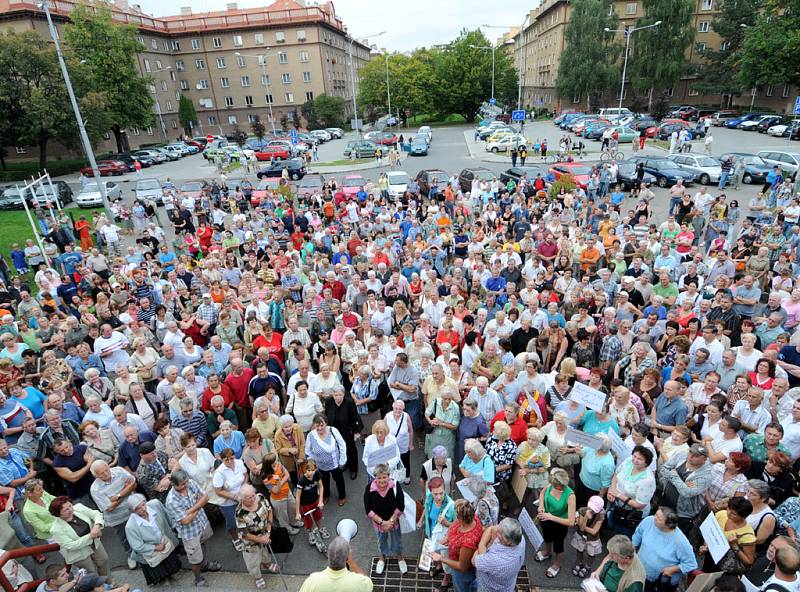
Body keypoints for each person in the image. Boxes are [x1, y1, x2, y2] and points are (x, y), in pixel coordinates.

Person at [165, 468, 221, 588]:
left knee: (203, 544)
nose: (186, 485)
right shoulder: (171, 501)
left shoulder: (191, 483)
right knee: (195, 559)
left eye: (186, 482)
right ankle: (197, 578)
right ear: (173, 484)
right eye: (182, 485)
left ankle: (205, 565)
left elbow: (205, 498)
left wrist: (190, 510)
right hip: (190, 533)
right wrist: (198, 506)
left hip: (202, 523)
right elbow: (185, 521)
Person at [631, 506, 697, 592]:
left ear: (668, 524)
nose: (654, 518)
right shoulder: (649, 521)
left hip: (659, 583)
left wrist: (671, 570)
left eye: (659, 519)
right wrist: (633, 549)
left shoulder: (680, 541)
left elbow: (691, 564)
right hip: (640, 572)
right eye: (655, 515)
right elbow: (638, 534)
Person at [125, 493, 182, 587]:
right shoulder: (130, 526)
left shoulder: (155, 504)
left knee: (170, 558)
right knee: (157, 566)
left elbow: (168, 516)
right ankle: (162, 579)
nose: (143, 509)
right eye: (138, 508)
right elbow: (137, 546)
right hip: (150, 552)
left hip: (165, 542)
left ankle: (172, 573)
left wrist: (174, 528)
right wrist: (155, 547)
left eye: (143, 504)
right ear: (133, 511)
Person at [429, 499, 483, 592]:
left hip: (462, 574)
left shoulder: (468, 542)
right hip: (455, 560)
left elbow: (462, 567)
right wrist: (447, 537)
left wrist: (441, 558)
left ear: (460, 518)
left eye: (456, 515)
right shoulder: (472, 517)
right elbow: (455, 524)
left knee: (461, 589)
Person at [363, 462, 407, 575]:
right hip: (379, 523)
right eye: (379, 478)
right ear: (375, 478)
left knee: (397, 540)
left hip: (394, 521)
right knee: (381, 540)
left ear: (389, 476)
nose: (382, 480)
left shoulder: (395, 485)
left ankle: (400, 557)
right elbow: (368, 510)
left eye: (384, 477)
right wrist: (383, 523)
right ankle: (382, 557)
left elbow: (400, 505)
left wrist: (390, 522)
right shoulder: (369, 488)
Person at [48, 495, 109, 576]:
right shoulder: (56, 529)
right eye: (66, 509)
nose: (71, 509)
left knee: (104, 560)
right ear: (59, 514)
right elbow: (71, 545)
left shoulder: (79, 507)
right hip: (79, 553)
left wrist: (97, 526)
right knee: (91, 572)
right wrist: (91, 535)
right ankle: (99, 587)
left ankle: (109, 582)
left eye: (70, 505)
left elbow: (97, 514)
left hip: (94, 543)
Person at [235, 484, 279, 588]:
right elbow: (244, 534)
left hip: (264, 534)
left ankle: (267, 564)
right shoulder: (240, 513)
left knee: (264, 552)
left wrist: (268, 531)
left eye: (253, 495)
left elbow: (269, 511)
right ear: (242, 499)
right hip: (250, 542)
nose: (252, 499)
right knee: (253, 560)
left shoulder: (261, 497)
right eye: (248, 498)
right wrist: (260, 539)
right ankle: (258, 577)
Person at [536, 467, 576, 578]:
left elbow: (571, 521)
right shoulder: (550, 484)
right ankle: (547, 552)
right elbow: (542, 494)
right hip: (546, 518)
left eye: (557, 487)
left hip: (560, 524)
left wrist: (551, 517)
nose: (554, 488)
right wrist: (541, 506)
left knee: (558, 545)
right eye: (553, 486)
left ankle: (557, 564)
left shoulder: (570, 495)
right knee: (547, 537)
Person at [298, 536, 373, 592]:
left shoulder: (312, 580)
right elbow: (369, 585)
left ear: (328, 555)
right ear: (347, 558)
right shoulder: (359, 582)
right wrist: (351, 562)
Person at [472, 518, 526, 592]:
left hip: (489, 589)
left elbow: (474, 560)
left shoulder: (497, 561)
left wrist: (482, 544)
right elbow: (491, 529)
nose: (496, 530)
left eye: (500, 533)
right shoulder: (520, 539)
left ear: (507, 541)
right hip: (508, 585)